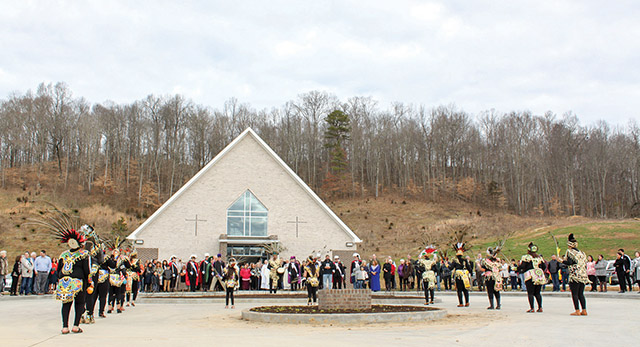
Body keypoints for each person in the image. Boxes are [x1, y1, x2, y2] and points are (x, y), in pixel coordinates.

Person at [54, 229, 91, 334]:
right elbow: (87, 270)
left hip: (64, 281)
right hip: (77, 281)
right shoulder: (84, 254)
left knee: (66, 304)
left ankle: (65, 326)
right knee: (79, 303)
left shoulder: (63, 255)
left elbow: (58, 269)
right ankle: (76, 325)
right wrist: (89, 282)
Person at [563, 234, 590, 316]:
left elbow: (569, 262)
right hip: (583, 275)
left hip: (575, 275)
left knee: (574, 293)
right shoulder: (581, 253)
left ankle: (577, 310)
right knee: (581, 293)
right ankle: (584, 310)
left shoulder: (570, 252)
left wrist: (561, 260)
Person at [518, 242, 546, 313]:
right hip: (538, 275)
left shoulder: (526, 257)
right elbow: (544, 266)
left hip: (530, 275)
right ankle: (540, 307)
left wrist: (516, 269)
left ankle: (532, 308)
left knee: (530, 292)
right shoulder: (539, 258)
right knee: (537, 293)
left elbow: (523, 266)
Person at [481, 246, 503, 310]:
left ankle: (492, 305)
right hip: (496, 276)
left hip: (489, 277)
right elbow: (501, 269)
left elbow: (483, 269)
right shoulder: (497, 262)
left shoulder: (485, 261)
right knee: (497, 291)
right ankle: (498, 304)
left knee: (490, 291)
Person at [451, 242, 472, 307]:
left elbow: (451, 267)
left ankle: (461, 303)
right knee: (465, 289)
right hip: (465, 275)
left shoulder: (455, 261)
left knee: (459, 290)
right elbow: (469, 268)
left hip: (459, 276)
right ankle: (467, 302)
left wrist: (448, 266)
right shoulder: (465, 260)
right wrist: (470, 273)